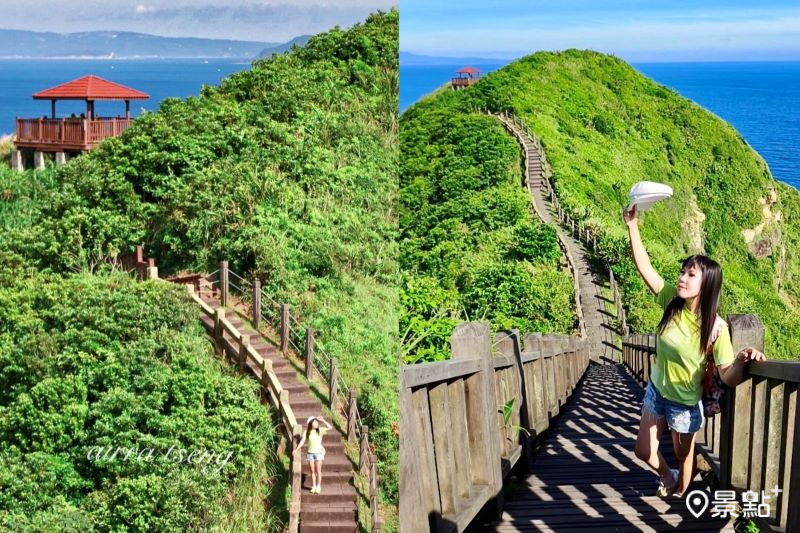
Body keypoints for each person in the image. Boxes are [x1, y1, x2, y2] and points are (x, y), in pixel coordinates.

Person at [624, 204, 765, 498]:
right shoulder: (671, 302)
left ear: (706, 285)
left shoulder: (716, 328)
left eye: (691, 275)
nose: (682, 278)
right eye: (682, 271)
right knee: (642, 450)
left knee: (682, 453)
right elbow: (645, 267)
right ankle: (669, 477)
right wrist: (632, 225)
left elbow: (728, 376)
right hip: (657, 391)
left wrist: (742, 359)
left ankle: (681, 491)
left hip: (685, 404)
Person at [293, 416, 332, 494]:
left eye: (317, 422)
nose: (317, 424)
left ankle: (318, 486)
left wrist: (323, 420)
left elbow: (330, 427)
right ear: (310, 424)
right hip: (310, 454)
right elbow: (302, 441)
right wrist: (296, 449)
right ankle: (314, 486)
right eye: (315, 422)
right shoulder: (307, 432)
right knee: (312, 471)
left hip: (318, 453)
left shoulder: (320, 430)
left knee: (318, 471)